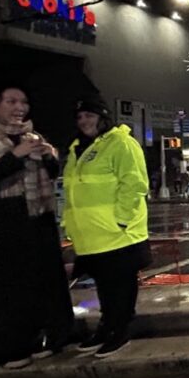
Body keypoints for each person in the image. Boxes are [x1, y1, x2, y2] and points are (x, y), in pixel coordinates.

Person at [0, 82, 74, 370]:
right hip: (1, 222)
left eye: (24, 102)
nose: (20, 107)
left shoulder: (33, 135)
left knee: (40, 283)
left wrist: (48, 155)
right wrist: (14, 156)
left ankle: (45, 337)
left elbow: (53, 174)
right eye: (11, 101)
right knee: (7, 288)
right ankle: (7, 347)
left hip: (38, 219)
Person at [62, 96, 151, 359]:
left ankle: (119, 330)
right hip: (92, 235)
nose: (84, 122)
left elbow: (134, 184)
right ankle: (106, 327)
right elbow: (72, 191)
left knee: (120, 286)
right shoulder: (78, 148)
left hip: (117, 233)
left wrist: (120, 220)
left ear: (102, 118)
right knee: (104, 286)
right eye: (79, 118)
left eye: (89, 116)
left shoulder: (120, 142)